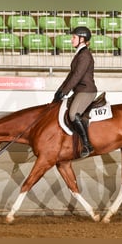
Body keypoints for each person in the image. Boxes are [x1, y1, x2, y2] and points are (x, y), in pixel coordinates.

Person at [52, 26, 97, 158]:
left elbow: (77, 76)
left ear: (82, 39)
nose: (71, 40)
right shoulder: (80, 54)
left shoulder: (85, 55)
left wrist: (65, 92)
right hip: (79, 90)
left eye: (74, 37)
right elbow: (70, 75)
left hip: (86, 91)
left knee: (73, 114)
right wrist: (59, 91)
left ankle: (87, 145)